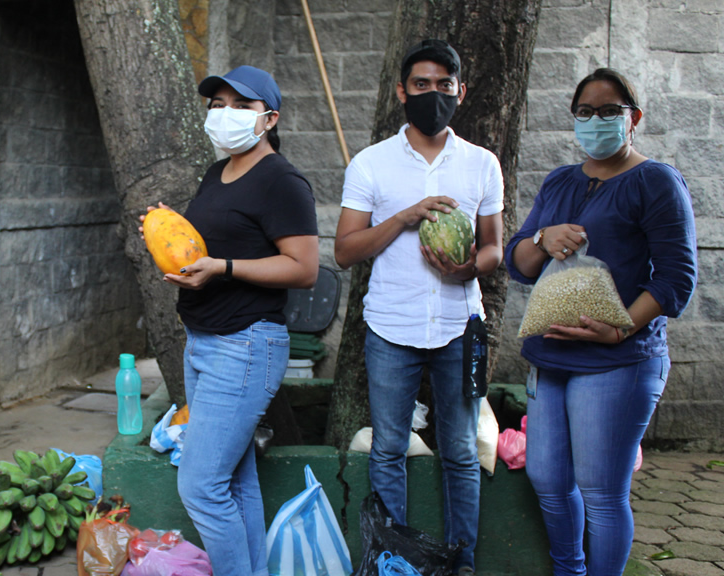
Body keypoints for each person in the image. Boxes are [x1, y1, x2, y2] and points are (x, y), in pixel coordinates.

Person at [505, 68, 697, 576]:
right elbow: (519, 263)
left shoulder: (655, 181)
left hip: (618, 362)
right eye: (584, 112)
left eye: (609, 110)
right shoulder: (560, 181)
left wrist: (620, 328)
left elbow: (677, 278)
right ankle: (570, 570)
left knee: (602, 493)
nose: (596, 120)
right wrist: (542, 239)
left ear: (633, 118)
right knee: (547, 478)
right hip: (550, 358)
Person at [140, 65, 318, 576]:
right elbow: (209, 243)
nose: (225, 114)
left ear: (269, 118)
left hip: (245, 345)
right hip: (205, 341)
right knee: (235, 481)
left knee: (199, 485)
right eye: (217, 105)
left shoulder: (282, 180)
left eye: (241, 106)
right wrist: (163, 227)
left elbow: (303, 269)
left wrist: (223, 267)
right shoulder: (216, 173)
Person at [334, 39, 504, 574]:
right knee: (388, 449)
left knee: (459, 452)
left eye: (444, 85)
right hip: (390, 327)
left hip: (459, 326)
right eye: (422, 84)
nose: (433, 93)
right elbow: (344, 251)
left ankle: (462, 565)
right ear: (403, 91)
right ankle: (395, 563)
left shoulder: (482, 163)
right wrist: (404, 217)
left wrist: (468, 268)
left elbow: (495, 247)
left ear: (460, 91)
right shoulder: (371, 163)